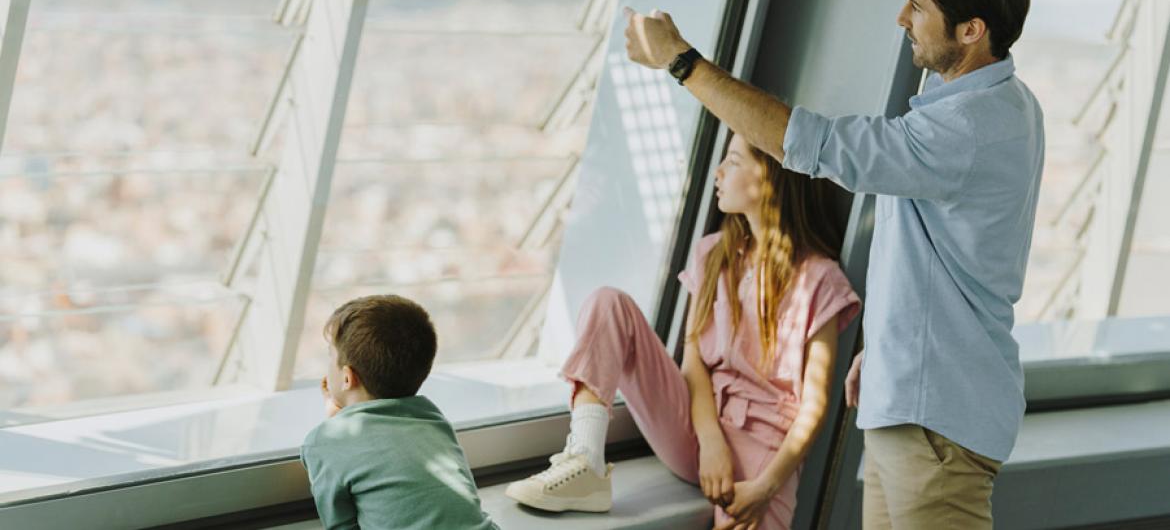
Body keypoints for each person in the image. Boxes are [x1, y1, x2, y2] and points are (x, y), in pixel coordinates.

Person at [624, 0, 1043, 529]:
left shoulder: (965, 129)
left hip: (937, 424)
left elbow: (811, 145)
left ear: (971, 30)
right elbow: (950, 252)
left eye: (918, 7)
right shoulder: (1008, 104)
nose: (902, 17)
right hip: (921, 406)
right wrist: (890, 347)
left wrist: (681, 62)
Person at [505, 133, 861, 530]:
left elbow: (813, 406)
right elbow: (693, 363)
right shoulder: (712, 254)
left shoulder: (819, 279)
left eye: (733, 161)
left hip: (763, 450)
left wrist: (765, 488)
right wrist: (710, 442)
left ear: (771, 178)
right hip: (696, 425)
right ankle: (585, 460)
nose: (718, 172)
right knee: (609, 303)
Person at [301, 294, 499, 530]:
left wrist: (333, 426)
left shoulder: (323, 442)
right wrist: (340, 418)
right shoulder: (433, 419)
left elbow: (340, 524)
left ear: (347, 377)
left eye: (329, 355)